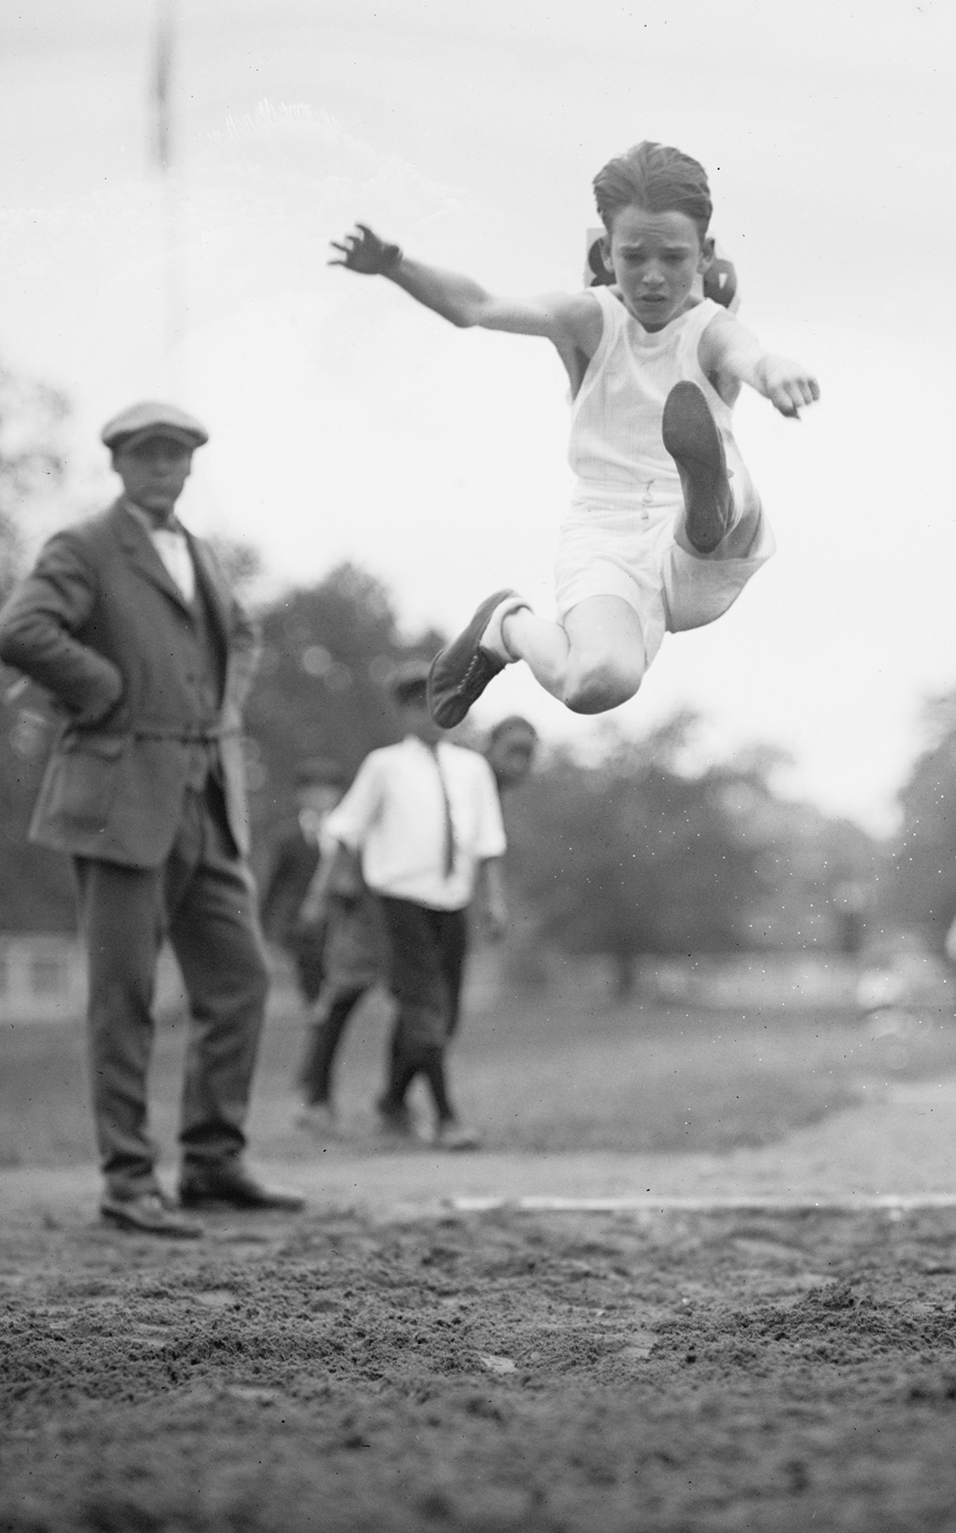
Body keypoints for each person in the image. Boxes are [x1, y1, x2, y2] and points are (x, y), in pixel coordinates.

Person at [330, 140, 820, 727]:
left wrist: (777, 372)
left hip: (698, 552)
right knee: (596, 684)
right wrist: (394, 264)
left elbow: (752, 355)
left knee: (726, 504)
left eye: (674, 257)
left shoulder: (710, 329)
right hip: (604, 534)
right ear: (606, 253)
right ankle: (506, 627)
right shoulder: (588, 318)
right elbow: (478, 306)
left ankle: (704, 488)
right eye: (635, 256)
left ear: (704, 255)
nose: (655, 278)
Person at [0, 401, 301, 1238]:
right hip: (121, 796)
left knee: (241, 980)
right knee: (123, 994)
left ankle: (212, 1161)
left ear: (193, 465)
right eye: (148, 454)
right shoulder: (86, 544)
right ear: (120, 464)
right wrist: (101, 689)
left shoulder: (196, 549)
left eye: (179, 455)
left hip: (207, 795)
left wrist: (225, 714)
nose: (165, 467)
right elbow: (20, 631)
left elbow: (242, 633)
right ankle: (128, 1180)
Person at [292, 715, 536, 1134]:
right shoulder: (405, 769)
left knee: (430, 1009)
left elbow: (480, 847)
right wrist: (329, 891)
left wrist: (490, 898)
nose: (521, 764)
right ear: (489, 747)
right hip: (382, 907)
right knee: (359, 993)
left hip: (439, 908)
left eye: (529, 755)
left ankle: (395, 1099)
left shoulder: (467, 776)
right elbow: (358, 830)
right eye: (512, 752)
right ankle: (321, 1094)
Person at [258, 756, 347, 1008]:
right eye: (313, 791)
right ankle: (314, 1005)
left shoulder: (346, 833)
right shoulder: (286, 837)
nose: (320, 798)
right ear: (300, 795)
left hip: (337, 916)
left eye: (327, 791)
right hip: (299, 919)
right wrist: (267, 923)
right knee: (308, 964)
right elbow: (275, 883)